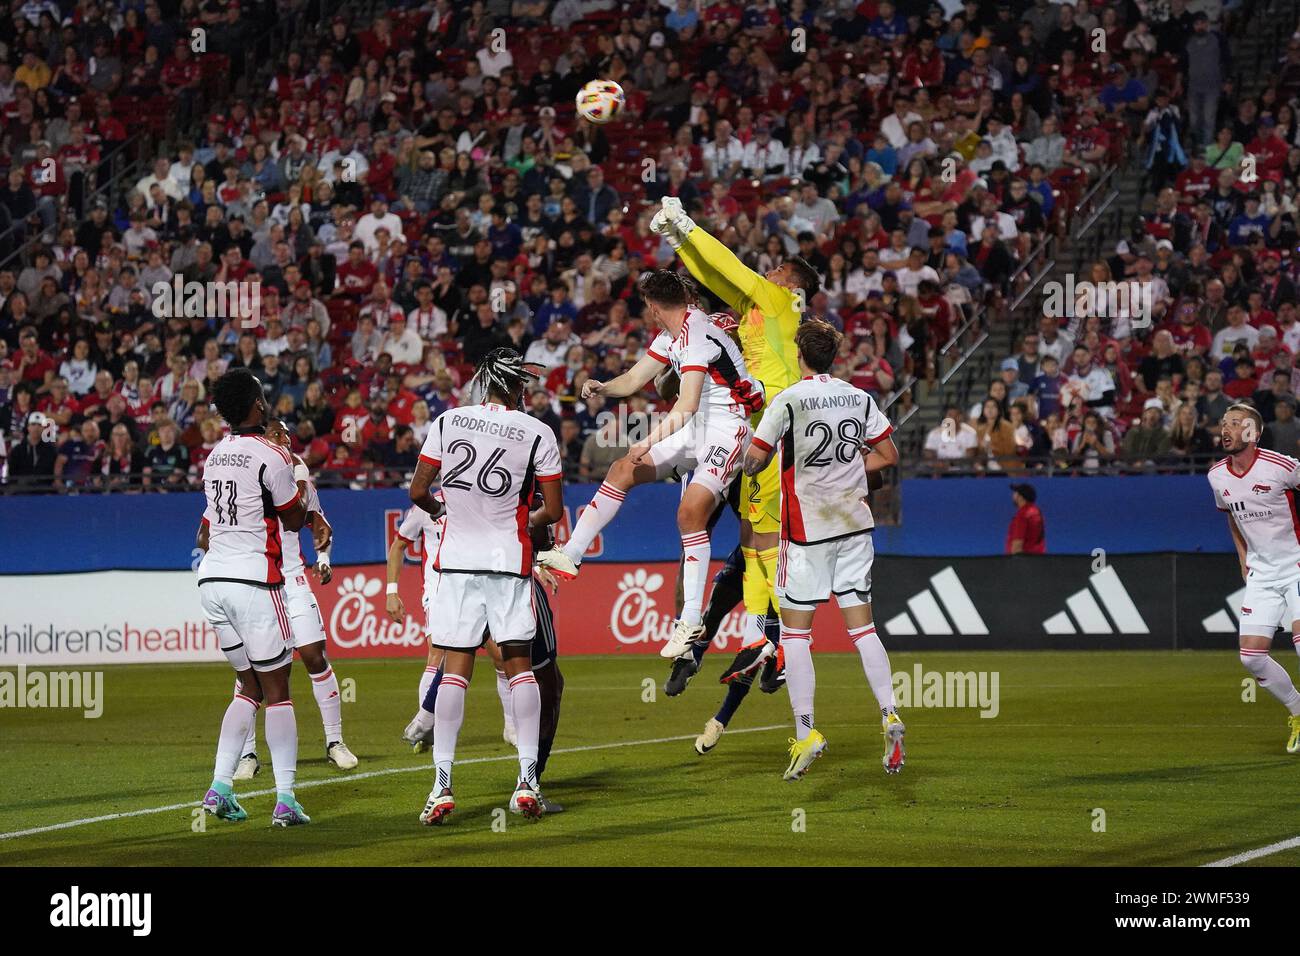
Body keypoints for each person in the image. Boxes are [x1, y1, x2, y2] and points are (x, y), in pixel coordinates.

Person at [536, 271, 763, 660]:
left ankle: (691, 620)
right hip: (697, 428)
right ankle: (571, 554)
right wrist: (603, 387)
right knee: (623, 468)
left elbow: (686, 403)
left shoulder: (695, 336)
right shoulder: (670, 336)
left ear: (652, 306)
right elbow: (634, 379)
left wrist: (646, 441)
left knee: (690, 512)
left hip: (728, 430)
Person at [650, 194, 817, 668]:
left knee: (764, 538)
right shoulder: (757, 310)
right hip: (754, 426)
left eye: (780, 272)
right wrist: (678, 241)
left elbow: (733, 269)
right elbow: (717, 277)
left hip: (775, 426)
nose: (772, 275)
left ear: (793, 285)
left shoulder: (781, 300)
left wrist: (687, 224)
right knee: (751, 534)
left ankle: (781, 645)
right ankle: (759, 637)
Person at [407, 347, 564, 824]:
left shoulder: (448, 421)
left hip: (454, 565)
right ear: (515, 385)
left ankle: (441, 789)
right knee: (520, 669)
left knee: (455, 669)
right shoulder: (538, 432)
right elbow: (552, 512)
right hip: (507, 564)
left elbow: (418, 492)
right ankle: (527, 783)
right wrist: (520, 522)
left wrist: (443, 514)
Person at [742, 320, 904, 779]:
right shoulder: (859, 396)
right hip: (854, 525)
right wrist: (850, 472)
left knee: (795, 636)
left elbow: (755, 462)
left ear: (800, 355)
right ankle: (890, 713)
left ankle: (807, 730)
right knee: (863, 629)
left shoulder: (788, 400)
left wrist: (754, 455)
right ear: (832, 357)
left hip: (806, 530)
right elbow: (888, 455)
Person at [193, 368, 310, 827]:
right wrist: (296, 471)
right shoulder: (272, 455)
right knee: (278, 692)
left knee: (248, 686)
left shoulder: (214, 455)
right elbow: (296, 519)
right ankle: (285, 800)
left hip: (212, 581)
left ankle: (220, 788)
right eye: (263, 399)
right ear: (257, 405)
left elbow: (204, 528)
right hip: (255, 583)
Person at [231, 419, 357, 781]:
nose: (285, 440)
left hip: (292, 577)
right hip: (255, 580)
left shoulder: (296, 473)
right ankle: (248, 754)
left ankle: (335, 742)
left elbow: (319, 524)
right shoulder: (247, 475)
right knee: (251, 670)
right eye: (277, 434)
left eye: (287, 435)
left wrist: (324, 558)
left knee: (314, 655)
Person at [1209, 404, 1300, 753]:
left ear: (1254, 433)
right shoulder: (1217, 476)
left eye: (1235, 423)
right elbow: (1232, 516)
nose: (1226, 428)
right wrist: (1243, 556)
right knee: (1251, 657)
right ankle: (1297, 710)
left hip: (1296, 564)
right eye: (1223, 423)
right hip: (1262, 572)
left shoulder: (1283, 467)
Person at [1005, 483, 1046, 554]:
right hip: (1038, 559)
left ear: (1021, 497)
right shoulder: (1037, 511)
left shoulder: (1022, 515)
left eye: (1015, 493)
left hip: (1024, 562)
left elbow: (1017, 547)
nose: (1013, 496)